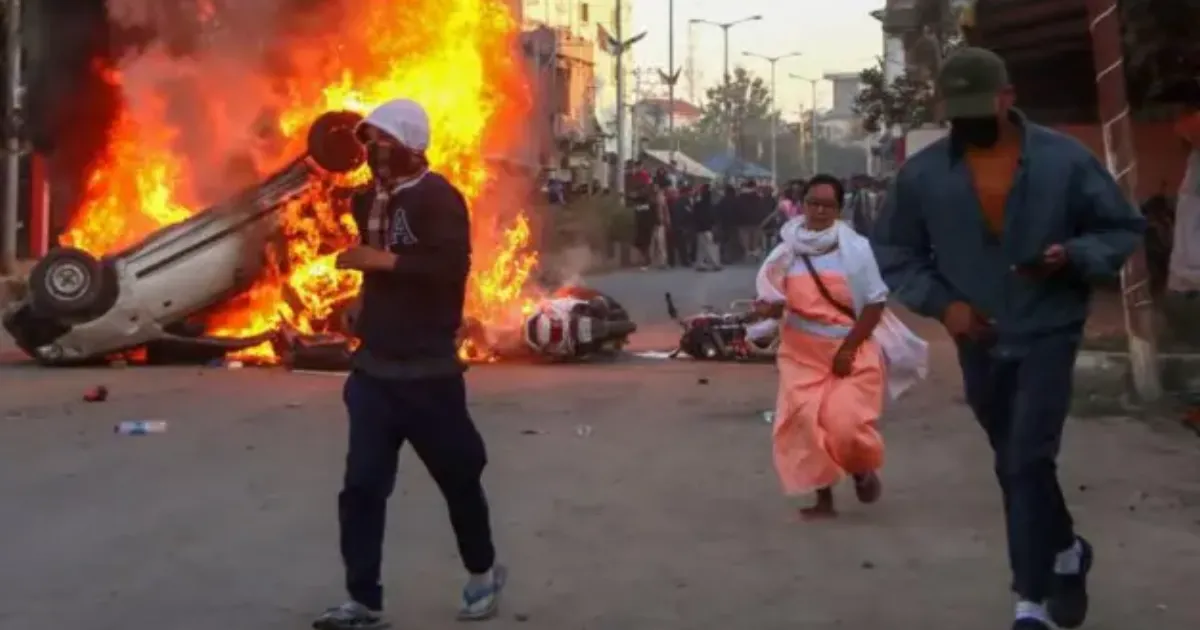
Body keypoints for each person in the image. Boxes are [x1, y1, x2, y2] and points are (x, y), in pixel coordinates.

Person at [871, 47, 1146, 630]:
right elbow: (896, 252)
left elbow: (1120, 227)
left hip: (1048, 327)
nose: (968, 118)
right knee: (1014, 462)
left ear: (1008, 97)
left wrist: (1071, 256)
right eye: (957, 108)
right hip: (980, 339)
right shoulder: (921, 177)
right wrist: (946, 307)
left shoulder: (1064, 160)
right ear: (943, 106)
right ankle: (1067, 551)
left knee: (1027, 456)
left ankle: (1031, 601)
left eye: (981, 105)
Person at [316, 99, 507, 630]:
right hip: (375, 372)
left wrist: (381, 261)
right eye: (367, 141)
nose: (370, 151)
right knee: (362, 487)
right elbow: (378, 271)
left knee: (459, 478)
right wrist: (363, 299)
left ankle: (483, 572)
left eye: (380, 141)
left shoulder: (439, 198)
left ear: (409, 146)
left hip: (429, 374)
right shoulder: (368, 201)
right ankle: (363, 600)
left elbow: (450, 268)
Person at [754, 174, 926, 520]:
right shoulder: (786, 251)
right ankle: (823, 499)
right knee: (808, 424)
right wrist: (769, 309)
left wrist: (848, 349)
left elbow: (875, 303)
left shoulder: (856, 250)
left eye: (827, 205)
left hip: (851, 349)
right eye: (813, 203)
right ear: (802, 205)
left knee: (844, 424)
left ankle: (861, 469)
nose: (818, 211)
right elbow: (774, 299)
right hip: (801, 353)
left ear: (839, 208)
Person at [692, 183, 722, 271]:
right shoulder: (710, 204)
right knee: (710, 247)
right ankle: (715, 264)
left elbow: (695, 216)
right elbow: (712, 216)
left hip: (700, 228)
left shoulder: (698, 204)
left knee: (701, 248)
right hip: (708, 228)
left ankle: (700, 264)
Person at [666, 185, 694, 267]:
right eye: (673, 192)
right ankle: (680, 261)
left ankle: (680, 261)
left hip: (678, 225)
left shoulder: (678, 202)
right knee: (681, 244)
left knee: (682, 244)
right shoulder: (681, 202)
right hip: (679, 225)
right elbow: (687, 213)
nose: (675, 194)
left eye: (675, 192)